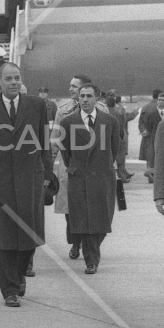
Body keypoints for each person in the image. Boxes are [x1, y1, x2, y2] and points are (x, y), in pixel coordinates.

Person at [0, 63, 53, 307]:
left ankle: (19, 275)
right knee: (4, 235)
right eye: (8, 79)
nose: (14, 83)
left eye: (17, 78)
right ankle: (9, 290)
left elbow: (45, 142)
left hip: (31, 177)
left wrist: (47, 174)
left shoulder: (37, 106)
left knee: (30, 233)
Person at [59, 83, 120, 275]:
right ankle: (91, 260)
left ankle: (92, 250)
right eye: (82, 96)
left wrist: (104, 166)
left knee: (102, 220)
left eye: (89, 96)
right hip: (80, 177)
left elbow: (114, 148)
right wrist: (77, 167)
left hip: (103, 177)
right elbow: (65, 152)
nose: (84, 99)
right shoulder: (68, 123)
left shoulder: (110, 122)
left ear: (97, 99)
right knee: (84, 221)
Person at [50, 74, 108, 261]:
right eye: (71, 86)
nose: (71, 89)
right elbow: (56, 139)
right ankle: (76, 242)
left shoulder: (102, 109)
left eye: (75, 86)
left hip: (95, 167)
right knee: (70, 208)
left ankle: (89, 244)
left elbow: (110, 141)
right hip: (71, 167)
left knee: (93, 207)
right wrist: (50, 164)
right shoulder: (63, 110)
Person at [105, 90, 128, 182]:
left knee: (120, 158)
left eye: (113, 96)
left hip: (119, 135)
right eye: (110, 96)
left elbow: (123, 122)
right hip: (108, 136)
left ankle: (121, 176)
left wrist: (122, 135)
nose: (112, 97)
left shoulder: (120, 109)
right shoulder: (103, 109)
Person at [140, 89, 162, 183]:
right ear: (157, 98)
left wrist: (143, 130)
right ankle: (153, 175)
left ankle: (151, 175)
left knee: (151, 156)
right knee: (155, 156)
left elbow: (141, 121)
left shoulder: (145, 107)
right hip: (156, 137)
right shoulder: (153, 111)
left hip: (149, 136)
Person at [145, 93, 164, 182]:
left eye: (163, 100)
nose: (160, 102)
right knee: (155, 159)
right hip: (155, 141)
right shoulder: (151, 114)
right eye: (159, 100)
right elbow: (148, 128)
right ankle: (152, 176)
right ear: (157, 101)